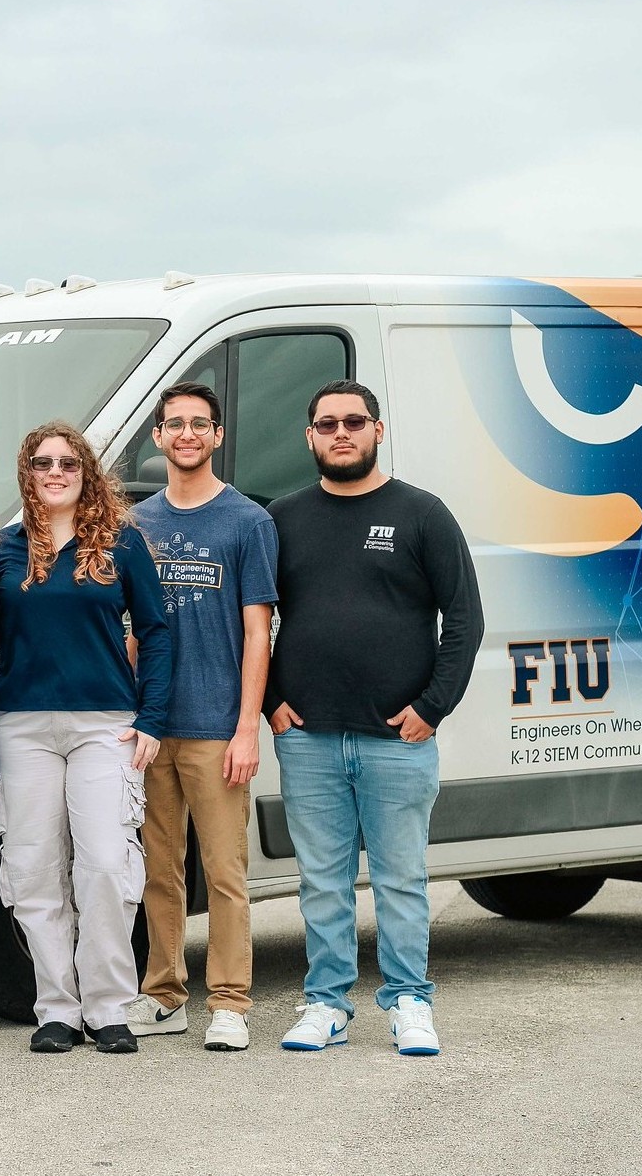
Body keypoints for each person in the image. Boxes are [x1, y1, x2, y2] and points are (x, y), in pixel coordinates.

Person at [265, 380, 483, 1056]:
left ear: (376, 430)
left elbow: (465, 620)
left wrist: (431, 706)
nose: (340, 432)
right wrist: (271, 698)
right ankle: (326, 1003)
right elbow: (253, 618)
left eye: (353, 421)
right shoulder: (282, 517)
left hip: (397, 738)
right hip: (307, 738)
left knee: (399, 878)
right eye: (325, 422)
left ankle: (409, 999)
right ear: (308, 437)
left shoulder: (422, 513)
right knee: (322, 881)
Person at [0, 420, 170, 1056]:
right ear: (27, 474)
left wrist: (151, 719)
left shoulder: (122, 545)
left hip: (105, 725)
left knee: (107, 866)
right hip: (22, 725)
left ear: (86, 472)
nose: (55, 472)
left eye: (68, 462)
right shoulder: (3, 551)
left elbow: (158, 630)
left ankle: (109, 1007)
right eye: (43, 463)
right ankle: (57, 1009)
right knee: (33, 871)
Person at [126, 383, 278, 1052]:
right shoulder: (139, 523)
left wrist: (248, 725)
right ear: (157, 437)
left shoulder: (247, 522)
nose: (186, 433)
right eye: (174, 424)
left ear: (216, 435)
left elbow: (257, 631)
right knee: (158, 869)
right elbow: (131, 628)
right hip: (152, 726)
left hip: (218, 727)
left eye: (199, 423)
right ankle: (163, 993)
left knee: (223, 871)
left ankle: (229, 1002)